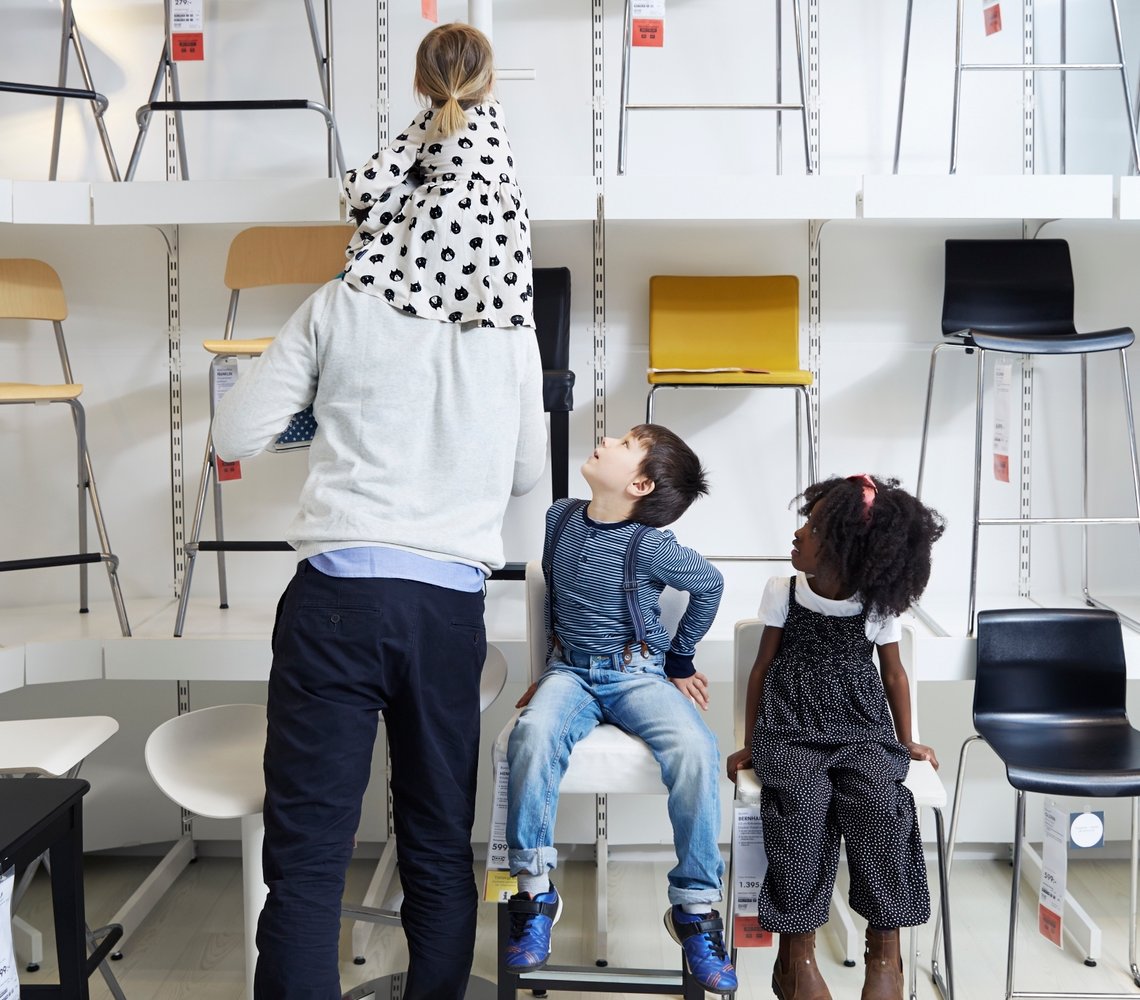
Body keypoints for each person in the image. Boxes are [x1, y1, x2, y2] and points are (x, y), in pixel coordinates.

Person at [211, 21, 547, 1000]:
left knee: (308, 859)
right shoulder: (509, 325)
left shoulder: (340, 301)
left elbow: (235, 437)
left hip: (335, 601)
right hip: (444, 609)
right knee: (439, 843)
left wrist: (327, 417)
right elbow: (528, 471)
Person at [503, 424, 738, 994]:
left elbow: (709, 584)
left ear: (639, 483)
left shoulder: (651, 543)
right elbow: (558, 597)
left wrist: (680, 660)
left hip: (637, 675)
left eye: (627, 443)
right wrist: (546, 674)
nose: (607, 439)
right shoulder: (558, 518)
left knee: (696, 749)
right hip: (570, 672)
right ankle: (535, 892)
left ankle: (695, 909)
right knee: (531, 736)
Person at [725, 474, 946, 1000]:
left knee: (881, 802)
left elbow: (893, 674)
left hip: (860, 722)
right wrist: (753, 741)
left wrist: (907, 737)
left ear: (850, 548)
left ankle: (884, 955)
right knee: (800, 806)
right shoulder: (785, 590)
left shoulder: (878, 602)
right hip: (791, 722)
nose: (800, 533)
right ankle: (796, 956)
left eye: (816, 527)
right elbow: (761, 669)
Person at [342, 21, 533, 330]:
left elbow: (362, 190)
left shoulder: (427, 123)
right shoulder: (497, 114)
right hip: (499, 250)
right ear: (490, 81)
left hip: (439, 235)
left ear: (420, 84)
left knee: (403, 185)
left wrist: (353, 181)